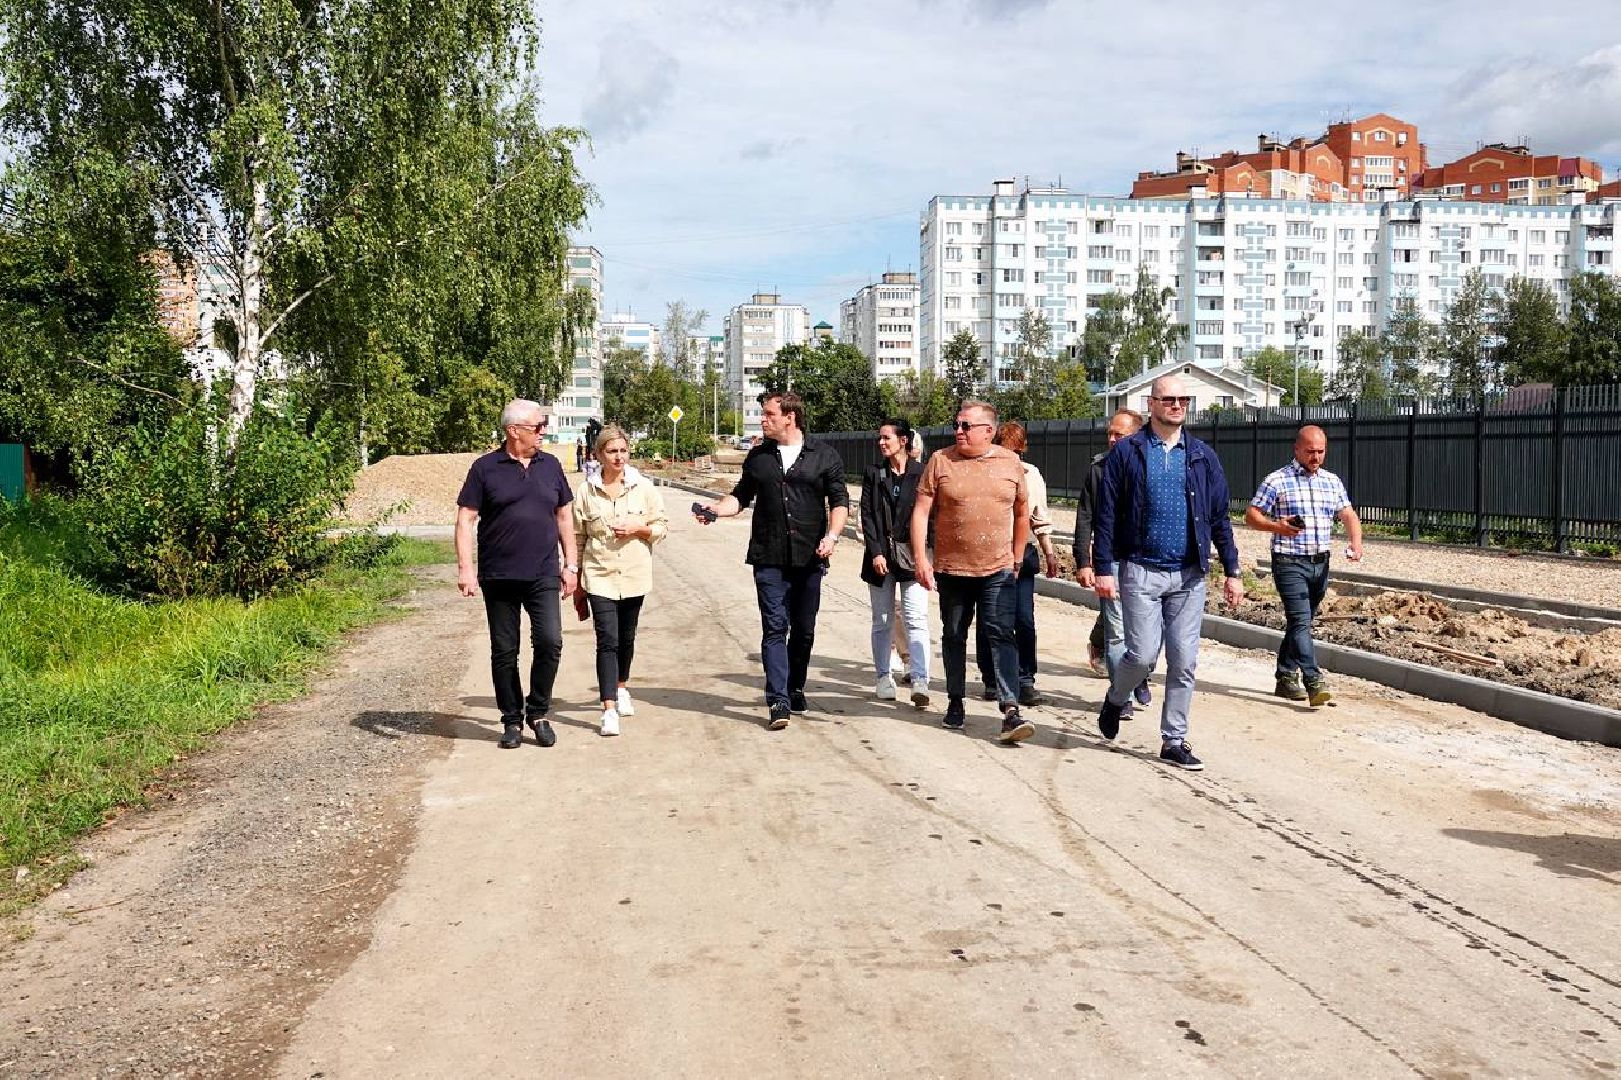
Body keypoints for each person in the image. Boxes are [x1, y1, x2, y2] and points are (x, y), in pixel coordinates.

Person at [1093, 375, 1244, 771]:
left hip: (1189, 574)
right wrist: (1103, 566)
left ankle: (1173, 740)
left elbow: (1219, 517)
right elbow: (1106, 514)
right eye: (1168, 399)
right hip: (1140, 569)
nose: (1176, 405)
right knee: (1141, 656)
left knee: (1183, 661)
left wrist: (1232, 569)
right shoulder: (1127, 453)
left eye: (1182, 400)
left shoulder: (1202, 456)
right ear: (1152, 403)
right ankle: (1115, 697)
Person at [694, 392, 849, 730]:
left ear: (790, 416)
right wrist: (716, 510)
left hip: (811, 556)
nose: (763, 420)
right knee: (775, 626)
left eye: (768, 414)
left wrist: (832, 536)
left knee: (804, 630)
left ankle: (795, 687)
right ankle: (777, 699)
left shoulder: (824, 456)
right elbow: (740, 496)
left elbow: (839, 502)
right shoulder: (759, 457)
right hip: (769, 556)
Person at [455, 399, 578, 750]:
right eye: (538, 427)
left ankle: (537, 712)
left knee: (550, 642)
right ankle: (511, 720)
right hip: (499, 576)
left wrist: (571, 564)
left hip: (542, 573)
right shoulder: (485, 468)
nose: (544, 432)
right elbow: (465, 519)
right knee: (505, 651)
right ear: (514, 431)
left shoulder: (551, 465)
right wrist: (466, 568)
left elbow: (564, 517)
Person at [910, 400, 1034, 744]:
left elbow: (1023, 512)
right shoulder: (940, 461)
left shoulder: (1009, 462)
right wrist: (922, 558)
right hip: (952, 569)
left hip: (997, 568)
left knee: (1000, 634)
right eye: (957, 424)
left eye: (966, 426)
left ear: (989, 431)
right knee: (953, 635)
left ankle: (1010, 709)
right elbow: (921, 512)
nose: (958, 431)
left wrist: (1018, 555)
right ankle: (954, 700)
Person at [1245, 424, 1365, 707]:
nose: (1316, 457)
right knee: (1300, 621)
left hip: (1320, 563)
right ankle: (1314, 680)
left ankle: (1285, 676)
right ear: (1297, 449)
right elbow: (1251, 516)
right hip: (1289, 561)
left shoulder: (1331, 481)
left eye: (1321, 451)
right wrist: (1277, 526)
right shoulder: (1278, 481)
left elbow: (1347, 514)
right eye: (1310, 451)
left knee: (1302, 624)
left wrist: (1356, 543)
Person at [574, 424, 669, 736]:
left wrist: (637, 528)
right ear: (599, 454)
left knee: (626, 639)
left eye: (623, 451)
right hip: (598, 574)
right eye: (611, 451)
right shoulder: (586, 491)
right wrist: (575, 580)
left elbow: (661, 527)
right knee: (607, 640)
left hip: (633, 575)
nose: (618, 457)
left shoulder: (643, 488)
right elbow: (577, 537)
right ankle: (609, 708)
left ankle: (621, 686)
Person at [975, 422, 1060, 706]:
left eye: (1016, 451)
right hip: (990, 556)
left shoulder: (1031, 475)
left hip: (1022, 556)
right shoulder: (985, 471)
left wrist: (1049, 552)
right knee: (991, 619)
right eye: (1005, 450)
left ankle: (1025, 680)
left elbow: (1039, 517)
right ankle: (991, 678)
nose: (1012, 457)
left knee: (1024, 619)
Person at [1074, 409, 1152, 715]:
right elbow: (1085, 517)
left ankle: (1139, 673)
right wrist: (1084, 561)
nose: (1111, 439)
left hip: (1149, 564)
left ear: (1135, 437)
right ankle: (1122, 697)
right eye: (1110, 433)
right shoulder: (1098, 469)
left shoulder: (1155, 468)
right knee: (1117, 631)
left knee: (1148, 630)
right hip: (1112, 562)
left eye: (1118, 435)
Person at [860, 418, 930, 707]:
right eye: (880, 437)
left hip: (913, 558)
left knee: (916, 619)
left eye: (887, 437)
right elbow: (868, 515)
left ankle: (921, 679)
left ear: (904, 441)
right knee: (883, 620)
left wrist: (926, 556)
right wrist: (876, 551)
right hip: (881, 559)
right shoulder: (874, 473)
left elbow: (930, 517)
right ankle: (883, 677)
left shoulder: (922, 473)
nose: (881, 442)